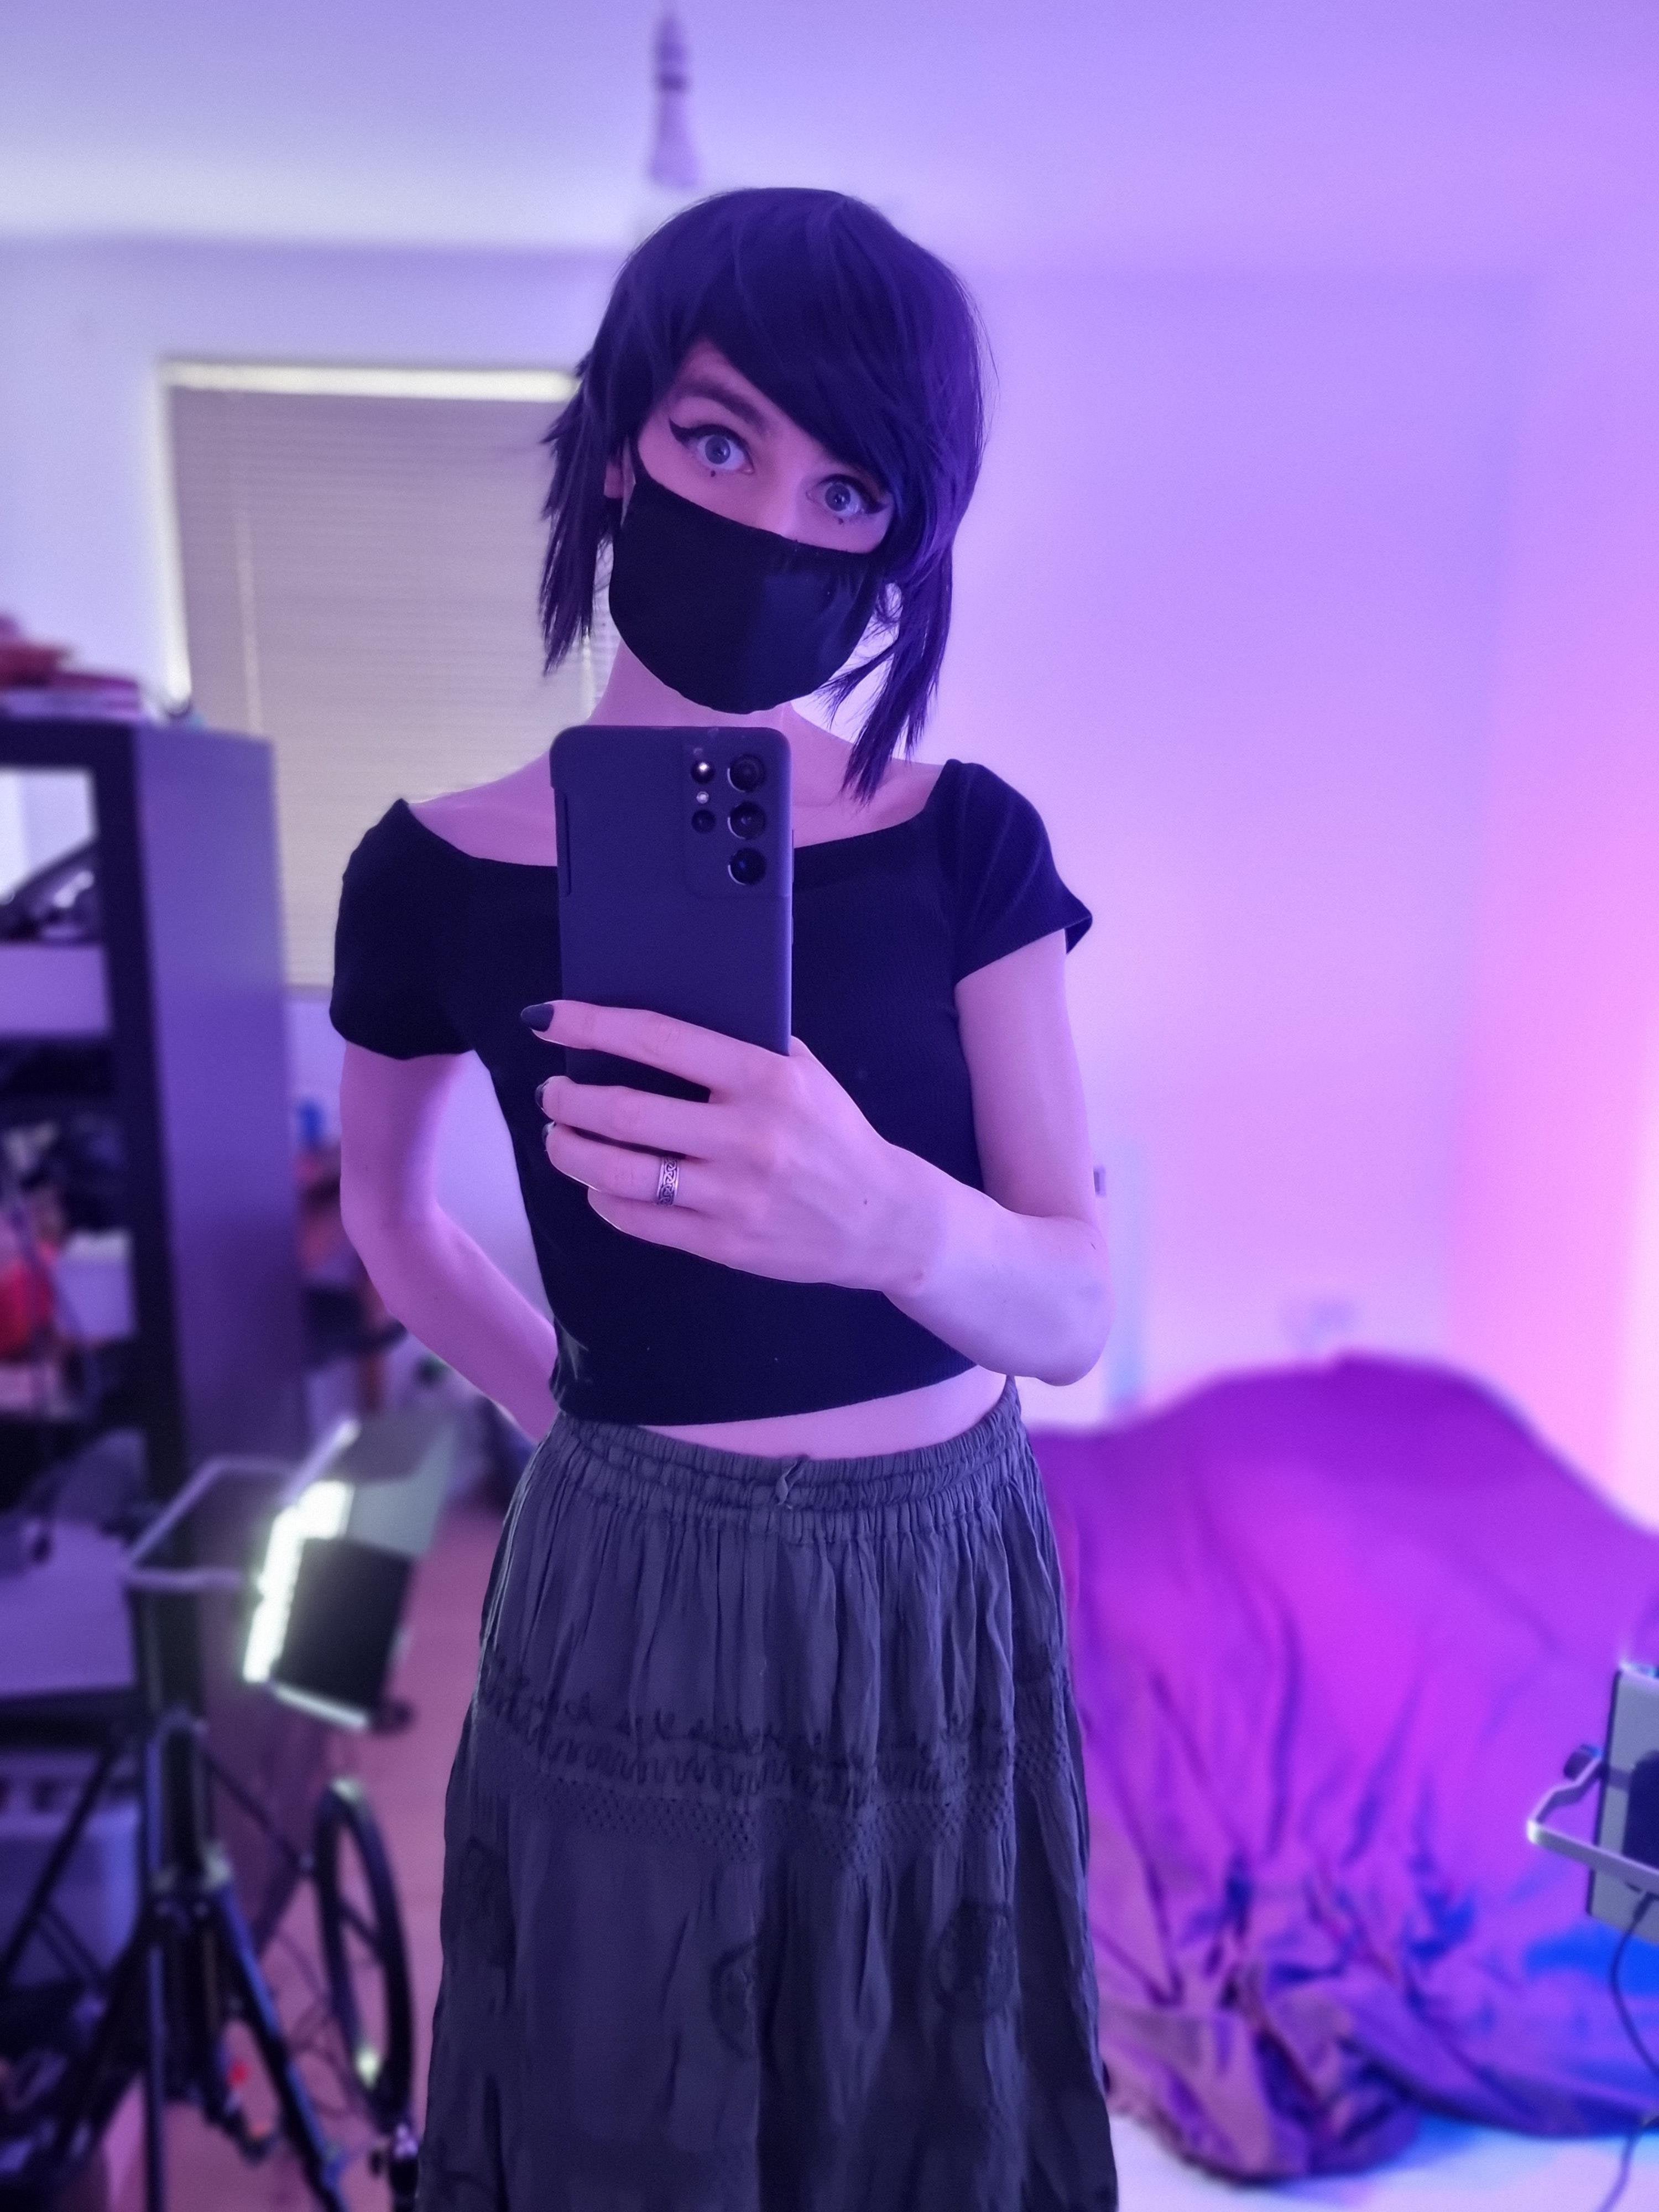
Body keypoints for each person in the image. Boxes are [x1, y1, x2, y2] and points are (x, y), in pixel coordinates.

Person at [331, 187, 1118, 2211]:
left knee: (925, 2099)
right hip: (631, 1583)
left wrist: (885, 1221)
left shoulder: (966, 845)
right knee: (628, 2105)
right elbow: (392, 1221)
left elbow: (1071, 1310)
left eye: (847, 488)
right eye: (716, 439)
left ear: (899, 545)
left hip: (943, 1574)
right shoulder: (427, 874)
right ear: (619, 447)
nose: (774, 519)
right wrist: (598, 1426)